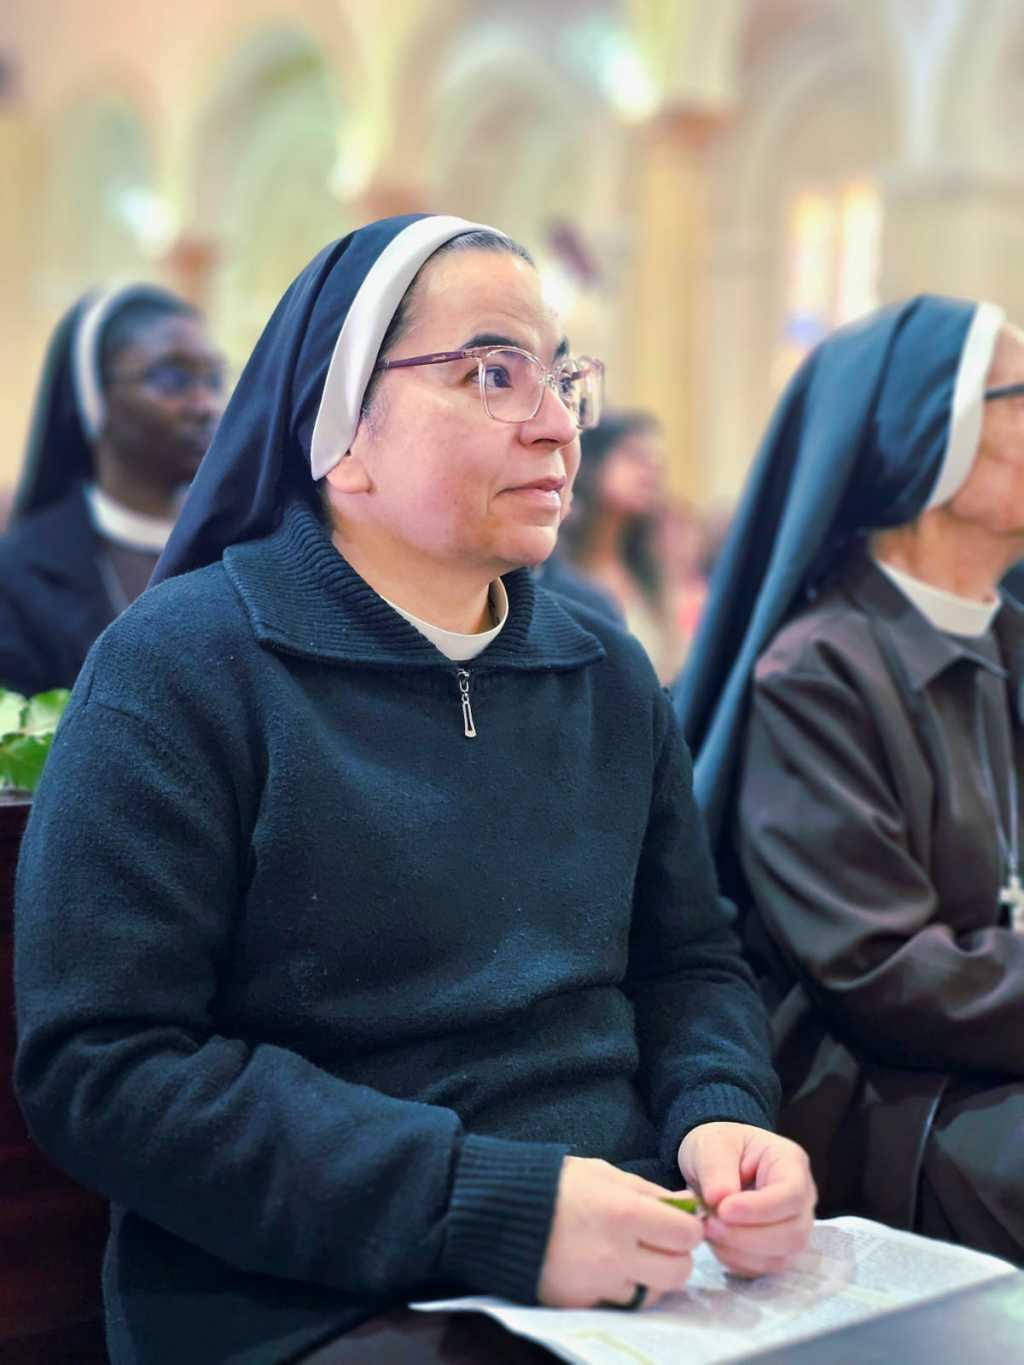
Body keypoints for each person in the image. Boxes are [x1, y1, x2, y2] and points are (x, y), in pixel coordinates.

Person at [14, 215, 814, 1365]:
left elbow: (689, 960)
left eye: (562, 378)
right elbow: (108, 1068)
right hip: (303, 1295)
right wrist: (485, 1205)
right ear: (345, 436)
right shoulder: (179, 669)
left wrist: (721, 1113)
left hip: (630, 1241)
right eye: (493, 373)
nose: (557, 425)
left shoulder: (603, 669)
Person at [674, 294, 1024, 1262]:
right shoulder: (819, 668)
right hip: (892, 1095)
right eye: (1022, 396)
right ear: (930, 442)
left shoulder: (1007, 636)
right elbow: (880, 969)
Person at [0, 285, 224, 697]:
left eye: (213, 379)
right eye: (172, 379)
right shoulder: (18, 574)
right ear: (95, 399)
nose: (206, 405)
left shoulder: (242, 545)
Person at [558, 411, 681, 680]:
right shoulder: (555, 568)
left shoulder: (648, 570)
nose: (652, 470)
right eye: (635, 456)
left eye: (657, 461)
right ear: (592, 463)